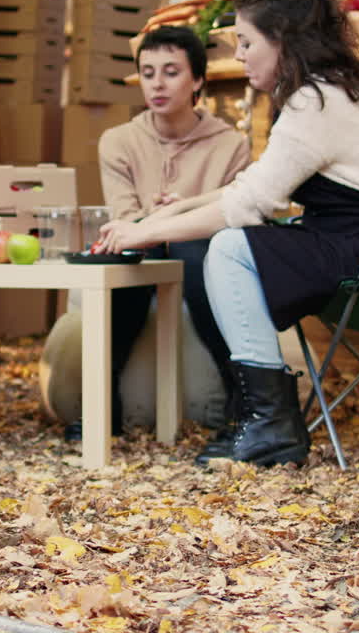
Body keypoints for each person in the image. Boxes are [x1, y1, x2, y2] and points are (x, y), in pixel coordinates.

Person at [95, 0, 359, 467]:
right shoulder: (327, 91)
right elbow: (259, 186)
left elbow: (248, 206)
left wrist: (144, 230)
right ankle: (264, 420)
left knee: (231, 247)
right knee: (233, 243)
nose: (237, 55)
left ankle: (268, 423)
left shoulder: (314, 102)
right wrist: (177, 209)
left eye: (245, 42)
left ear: (281, 39)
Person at [55, 25, 249, 442]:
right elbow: (125, 217)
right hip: (141, 251)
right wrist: (154, 224)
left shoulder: (231, 144)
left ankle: (243, 406)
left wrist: (174, 217)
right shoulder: (119, 141)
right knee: (121, 263)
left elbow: (231, 216)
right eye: (147, 72)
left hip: (202, 258)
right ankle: (102, 406)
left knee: (198, 251)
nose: (157, 84)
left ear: (198, 80)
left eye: (171, 72)